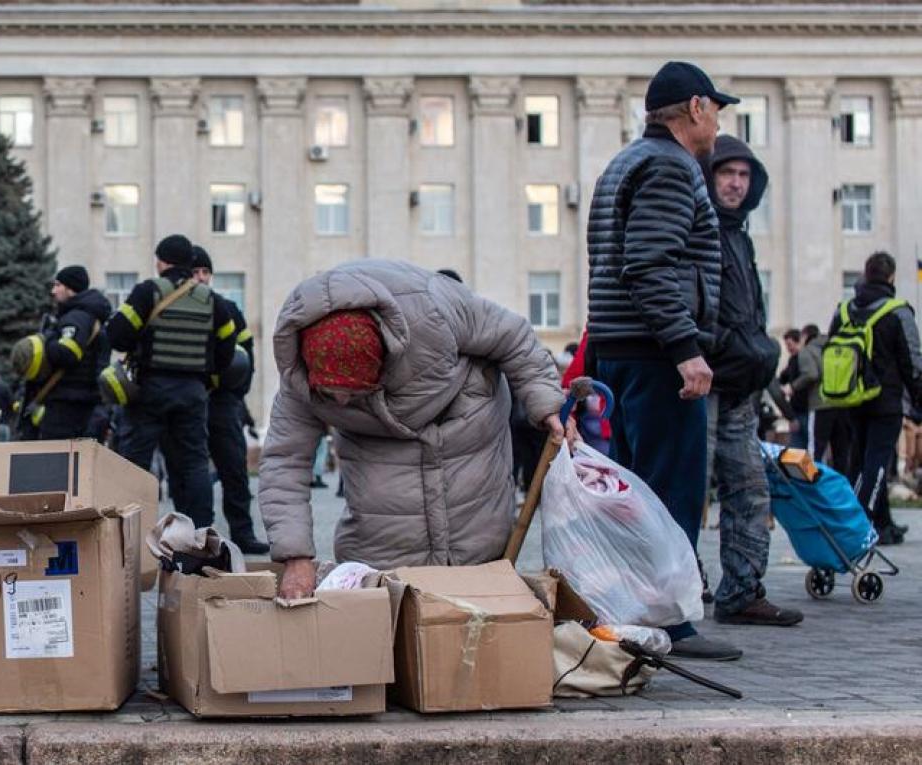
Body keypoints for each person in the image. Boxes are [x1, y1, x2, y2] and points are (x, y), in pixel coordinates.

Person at [262, 260, 565, 599]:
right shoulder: (302, 376)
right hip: (381, 530)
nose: (342, 402)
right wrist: (296, 556)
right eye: (331, 394)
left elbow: (514, 337)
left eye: (353, 390)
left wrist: (546, 404)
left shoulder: (434, 305)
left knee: (477, 592)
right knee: (388, 607)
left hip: (466, 441)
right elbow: (284, 460)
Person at [585, 61, 740, 660]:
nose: (717, 124)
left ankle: (635, 615)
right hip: (655, 356)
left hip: (622, 349)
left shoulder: (625, 162)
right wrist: (685, 351)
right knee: (669, 494)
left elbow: (609, 263)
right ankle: (669, 624)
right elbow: (649, 266)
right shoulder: (671, 168)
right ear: (696, 108)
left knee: (636, 491)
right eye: (716, 110)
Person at [700, 134, 799, 627]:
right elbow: (695, 305)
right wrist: (727, 347)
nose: (736, 184)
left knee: (750, 487)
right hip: (704, 380)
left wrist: (760, 350)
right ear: (710, 176)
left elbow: (748, 309)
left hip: (741, 383)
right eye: (727, 174)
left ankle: (741, 590)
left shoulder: (739, 234)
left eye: (743, 176)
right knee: (687, 488)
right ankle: (675, 588)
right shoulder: (700, 226)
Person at [107, 234, 235, 528]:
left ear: (161, 262)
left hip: (149, 391)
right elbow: (227, 350)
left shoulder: (146, 292)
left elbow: (118, 335)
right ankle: (200, 535)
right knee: (193, 464)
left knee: (135, 463)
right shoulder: (211, 300)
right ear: (191, 265)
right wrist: (204, 376)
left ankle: (130, 532)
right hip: (192, 392)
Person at [823, 252, 922, 546]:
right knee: (877, 462)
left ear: (866, 274)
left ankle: (884, 524)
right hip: (885, 400)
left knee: (859, 458)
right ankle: (860, 525)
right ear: (890, 276)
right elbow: (912, 362)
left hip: (850, 398)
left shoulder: (844, 310)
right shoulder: (897, 311)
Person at [192, 246, 269, 555]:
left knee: (234, 470)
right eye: (195, 272)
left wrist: (236, 392)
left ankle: (243, 533)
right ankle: (201, 536)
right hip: (192, 402)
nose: (201, 278)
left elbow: (247, 354)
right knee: (193, 471)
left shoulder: (226, 308)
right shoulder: (179, 310)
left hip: (224, 402)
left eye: (205, 272)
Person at [24, 265, 112, 440]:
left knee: (57, 461)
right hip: (81, 401)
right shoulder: (87, 315)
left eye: (58, 285)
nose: (53, 291)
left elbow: (67, 353)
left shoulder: (76, 317)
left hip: (67, 404)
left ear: (70, 289)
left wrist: (47, 339)